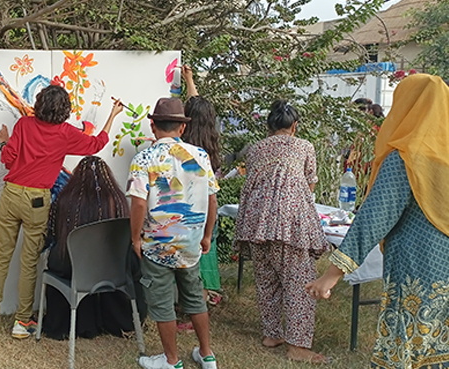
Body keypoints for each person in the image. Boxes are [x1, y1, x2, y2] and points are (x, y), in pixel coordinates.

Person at [307, 74, 449, 369]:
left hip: (415, 269)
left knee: (407, 345)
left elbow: (374, 217)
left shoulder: (407, 158)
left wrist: (331, 274)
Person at [0, 84, 122, 339]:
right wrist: (112, 115)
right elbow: (96, 144)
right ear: (65, 110)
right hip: (37, 200)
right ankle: (22, 322)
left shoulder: (24, 125)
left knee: (2, 254)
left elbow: (8, 160)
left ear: (39, 103)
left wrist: (3, 142)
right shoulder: (66, 133)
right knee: (29, 262)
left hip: (11, 194)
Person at [233, 100, 329, 363]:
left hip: (256, 223)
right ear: (295, 126)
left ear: (268, 126)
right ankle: (297, 346)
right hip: (289, 223)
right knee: (299, 283)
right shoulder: (304, 146)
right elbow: (309, 185)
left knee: (267, 280)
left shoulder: (255, 150)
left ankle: (271, 334)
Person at [127, 98, 219, 369]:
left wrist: (135, 239)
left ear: (153, 126)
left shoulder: (144, 158)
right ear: (181, 128)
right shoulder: (199, 157)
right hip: (191, 243)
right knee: (194, 297)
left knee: (162, 302)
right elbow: (212, 198)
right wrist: (206, 235)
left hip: (157, 245)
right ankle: (206, 354)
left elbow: (139, 202)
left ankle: (171, 361)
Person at [41, 156, 146, 339]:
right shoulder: (118, 199)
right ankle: (121, 321)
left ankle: (67, 324)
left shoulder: (65, 199)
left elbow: (53, 235)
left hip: (74, 265)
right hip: (113, 266)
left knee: (57, 262)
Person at [181, 65, 223, 305]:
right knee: (206, 256)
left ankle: (193, 304)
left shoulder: (185, 147)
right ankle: (201, 302)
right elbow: (197, 105)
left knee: (193, 261)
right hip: (207, 209)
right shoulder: (210, 142)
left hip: (189, 208)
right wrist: (189, 78)